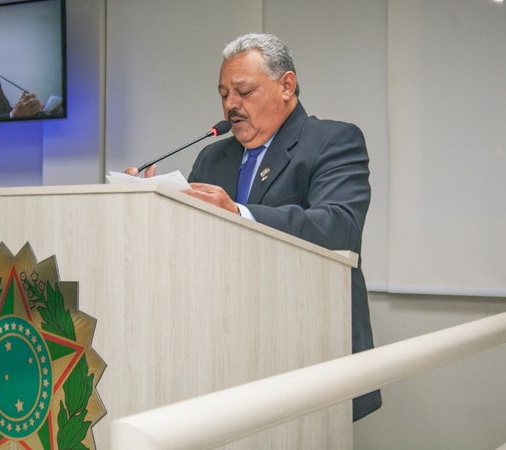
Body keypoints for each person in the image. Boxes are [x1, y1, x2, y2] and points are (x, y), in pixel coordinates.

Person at [127, 33, 381, 420]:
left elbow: (338, 227)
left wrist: (240, 214)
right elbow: (187, 247)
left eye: (243, 91)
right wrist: (152, 205)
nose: (231, 104)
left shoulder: (332, 140)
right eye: (224, 94)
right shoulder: (212, 158)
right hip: (222, 351)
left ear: (287, 86)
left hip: (306, 346)